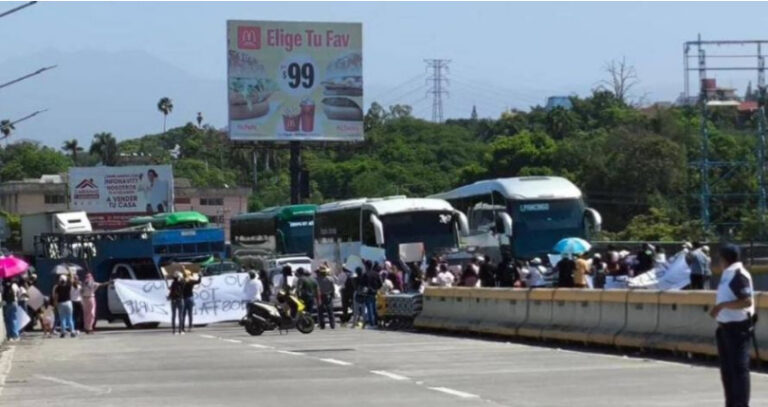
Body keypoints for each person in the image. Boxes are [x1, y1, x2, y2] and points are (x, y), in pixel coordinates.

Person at [710, 244, 754, 407]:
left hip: (737, 328)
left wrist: (721, 306)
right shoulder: (727, 274)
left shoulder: (737, 274)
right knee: (728, 372)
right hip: (725, 328)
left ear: (724, 259)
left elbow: (745, 301)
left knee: (738, 370)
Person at [362, 263, 382, 328]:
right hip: (375, 292)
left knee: (369, 309)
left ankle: (371, 323)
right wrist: (376, 289)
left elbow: (363, 285)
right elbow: (381, 284)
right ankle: (376, 322)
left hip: (368, 293)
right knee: (375, 308)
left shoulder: (365, 275)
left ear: (367, 266)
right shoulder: (377, 274)